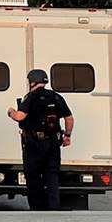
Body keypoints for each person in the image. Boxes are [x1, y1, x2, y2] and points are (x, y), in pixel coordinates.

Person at [7, 68, 74, 210]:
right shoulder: (56, 97)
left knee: (33, 176)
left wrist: (11, 112)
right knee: (52, 175)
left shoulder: (30, 97)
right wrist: (67, 136)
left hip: (34, 144)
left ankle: (38, 209)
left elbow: (20, 117)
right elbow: (69, 118)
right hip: (53, 143)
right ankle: (53, 207)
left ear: (32, 82)